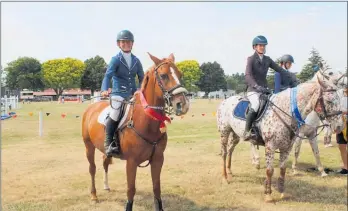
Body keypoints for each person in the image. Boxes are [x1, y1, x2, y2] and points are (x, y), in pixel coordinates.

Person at [242, 35, 297, 142]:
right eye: (260, 45)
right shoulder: (251, 59)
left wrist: (292, 77)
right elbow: (247, 76)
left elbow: (279, 70)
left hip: (265, 90)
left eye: (264, 45)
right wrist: (256, 86)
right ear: (254, 47)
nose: (262, 47)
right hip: (253, 90)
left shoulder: (267, 60)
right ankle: (247, 131)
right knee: (256, 104)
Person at [100, 30, 144, 157]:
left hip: (132, 95)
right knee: (115, 112)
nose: (126, 44)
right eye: (123, 42)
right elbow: (108, 76)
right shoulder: (115, 60)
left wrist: (140, 89)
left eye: (128, 42)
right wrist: (104, 89)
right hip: (118, 94)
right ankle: (108, 143)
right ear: (119, 44)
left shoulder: (136, 61)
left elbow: (142, 77)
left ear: (132, 44)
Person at [336, 87, 348, 174]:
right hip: (340, 124)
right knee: (341, 146)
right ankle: (345, 167)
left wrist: (345, 112)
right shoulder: (339, 95)